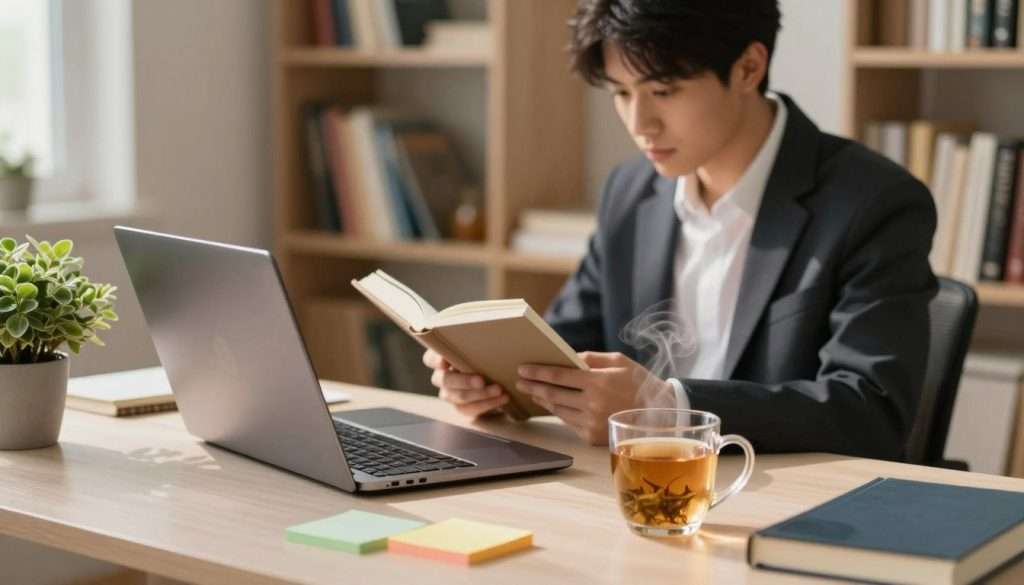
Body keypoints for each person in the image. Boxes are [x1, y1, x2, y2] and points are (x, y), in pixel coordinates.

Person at [422, 0, 937, 461]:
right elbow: (563, 350)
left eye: (663, 91)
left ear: (748, 67)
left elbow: (871, 412)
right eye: (621, 93)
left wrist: (667, 407)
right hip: (636, 488)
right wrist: (493, 380)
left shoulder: (873, 202)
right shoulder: (631, 190)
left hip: (786, 504)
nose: (640, 123)